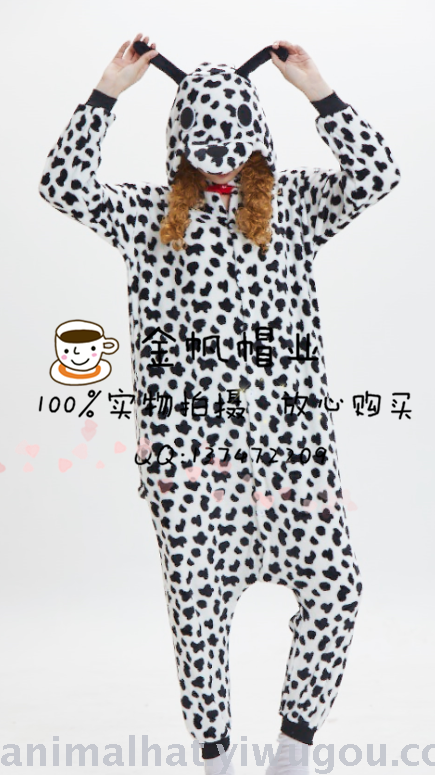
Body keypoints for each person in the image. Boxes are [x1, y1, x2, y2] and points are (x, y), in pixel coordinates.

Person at [38, 34, 401, 775]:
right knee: (198, 615)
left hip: (292, 454)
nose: (222, 169)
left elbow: (377, 174)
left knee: (337, 589)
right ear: (180, 148)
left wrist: (318, 93)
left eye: (234, 155)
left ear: (257, 141)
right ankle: (216, 758)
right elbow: (63, 186)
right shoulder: (148, 217)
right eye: (206, 156)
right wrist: (107, 91)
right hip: (189, 461)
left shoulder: (294, 206)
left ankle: (292, 751)